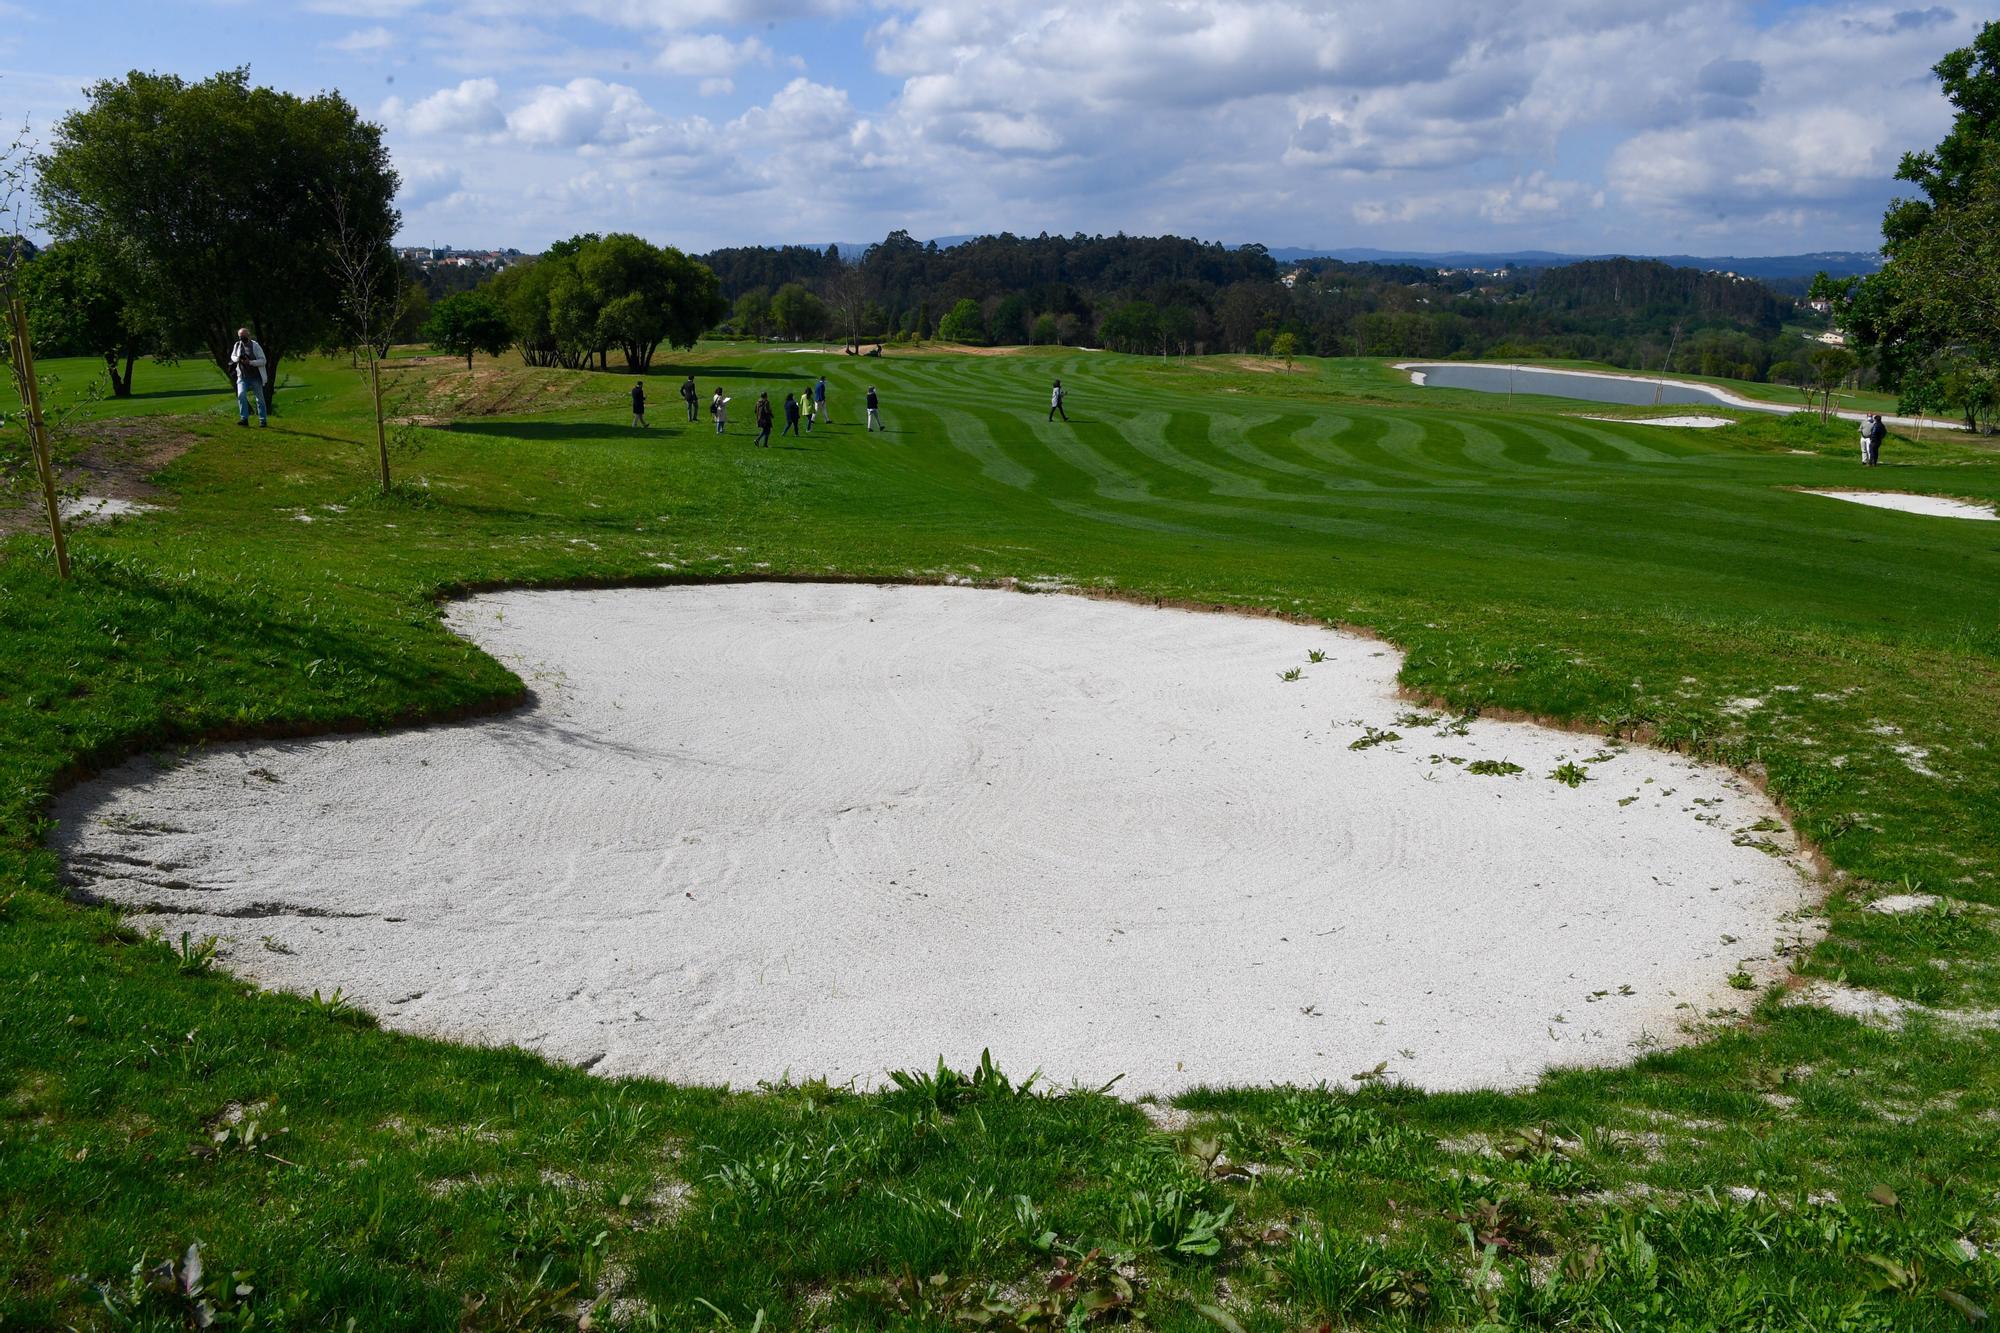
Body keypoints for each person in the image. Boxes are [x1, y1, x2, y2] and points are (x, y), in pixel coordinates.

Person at [230, 327, 269, 427]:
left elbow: (263, 360)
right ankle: (244, 419)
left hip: (256, 377)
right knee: (241, 395)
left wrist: (250, 362)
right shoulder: (237, 345)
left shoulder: (255, 346)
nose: (242, 338)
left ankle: (263, 420)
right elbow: (233, 356)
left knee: (259, 399)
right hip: (242, 376)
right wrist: (238, 359)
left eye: (244, 336)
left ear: (248, 335)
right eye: (240, 337)